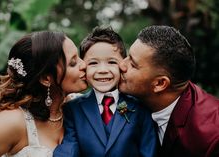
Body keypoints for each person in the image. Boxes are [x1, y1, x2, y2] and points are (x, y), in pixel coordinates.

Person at [53, 26, 157, 157]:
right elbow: (69, 148)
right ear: (83, 67)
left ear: (123, 65)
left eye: (112, 62)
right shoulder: (73, 110)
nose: (102, 70)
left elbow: (149, 151)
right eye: (93, 63)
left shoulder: (141, 107)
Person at [119, 25, 219, 157]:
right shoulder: (136, 97)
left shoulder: (211, 139)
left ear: (160, 83)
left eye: (133, 64)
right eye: (127, 55)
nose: (121, 65)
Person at [0, 31, 88, 157]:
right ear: (46, 79)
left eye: (79, 57)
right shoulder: (13, 122)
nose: (84, 65)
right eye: (73, 63)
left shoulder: (81, 106)